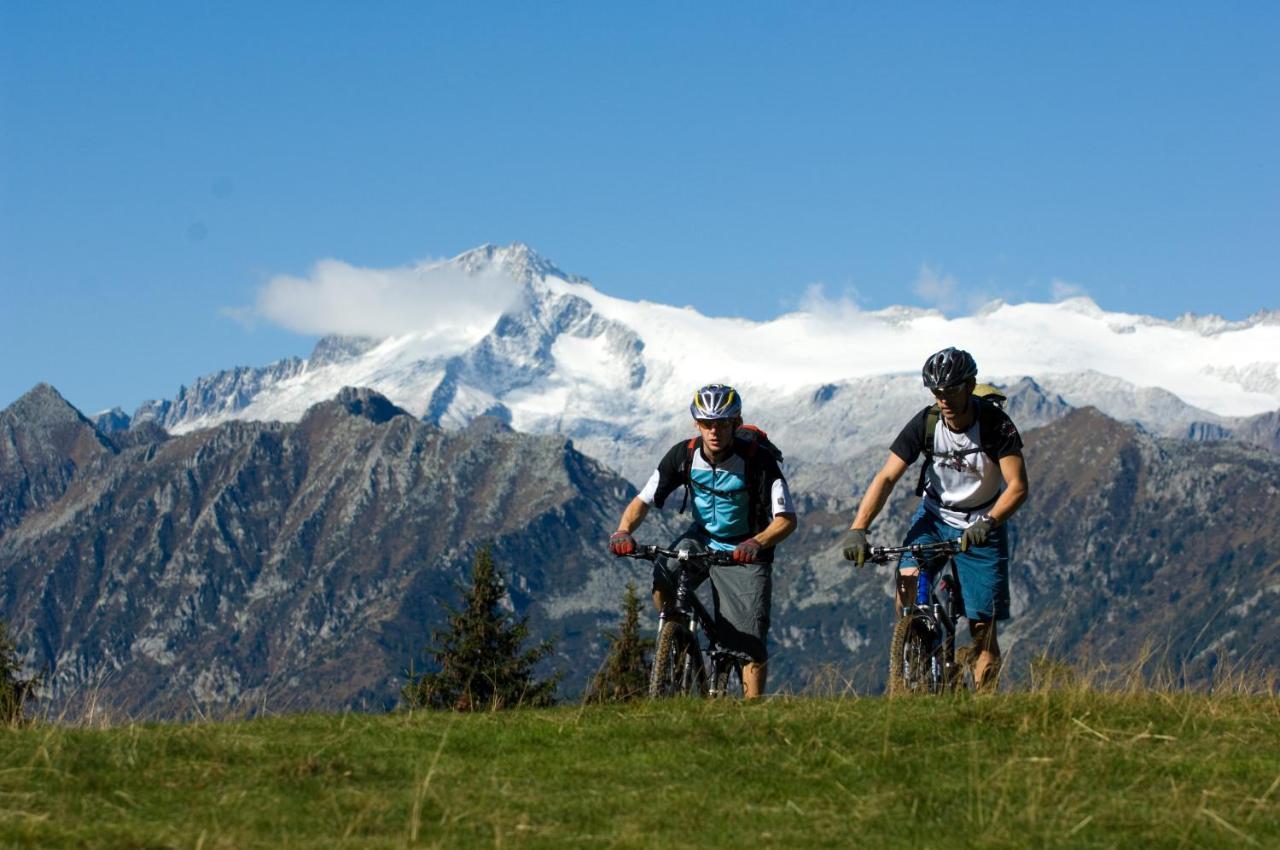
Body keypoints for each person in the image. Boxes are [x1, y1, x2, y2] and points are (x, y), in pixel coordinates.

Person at [841, 348, 1028, 690]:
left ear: (970, 385)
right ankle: (918, 643)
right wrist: (858, 528)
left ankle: (986, 707)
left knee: (982, 631)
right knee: (907, 581)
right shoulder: (925, 423)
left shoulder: (994, 424)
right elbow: (886, 478)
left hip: (982, 521)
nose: (943, 399)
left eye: (951, 390)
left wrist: (988, 523)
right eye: (937, 392)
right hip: (934, 516)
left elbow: (1017, 487)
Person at [608, 383, 797, 698]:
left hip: (745, 548)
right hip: (702, 537)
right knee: (664, 578)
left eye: (722, 423)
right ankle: (678, 636)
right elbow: (643, 500)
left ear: (735, 423)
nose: (714, 430)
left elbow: (787, 520)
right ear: (696, 423)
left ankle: (752, 714)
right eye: (707, 423)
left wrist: (757, 543)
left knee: (748, 641)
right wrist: (623, 531)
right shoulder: (684, 454)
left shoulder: (757, 461)